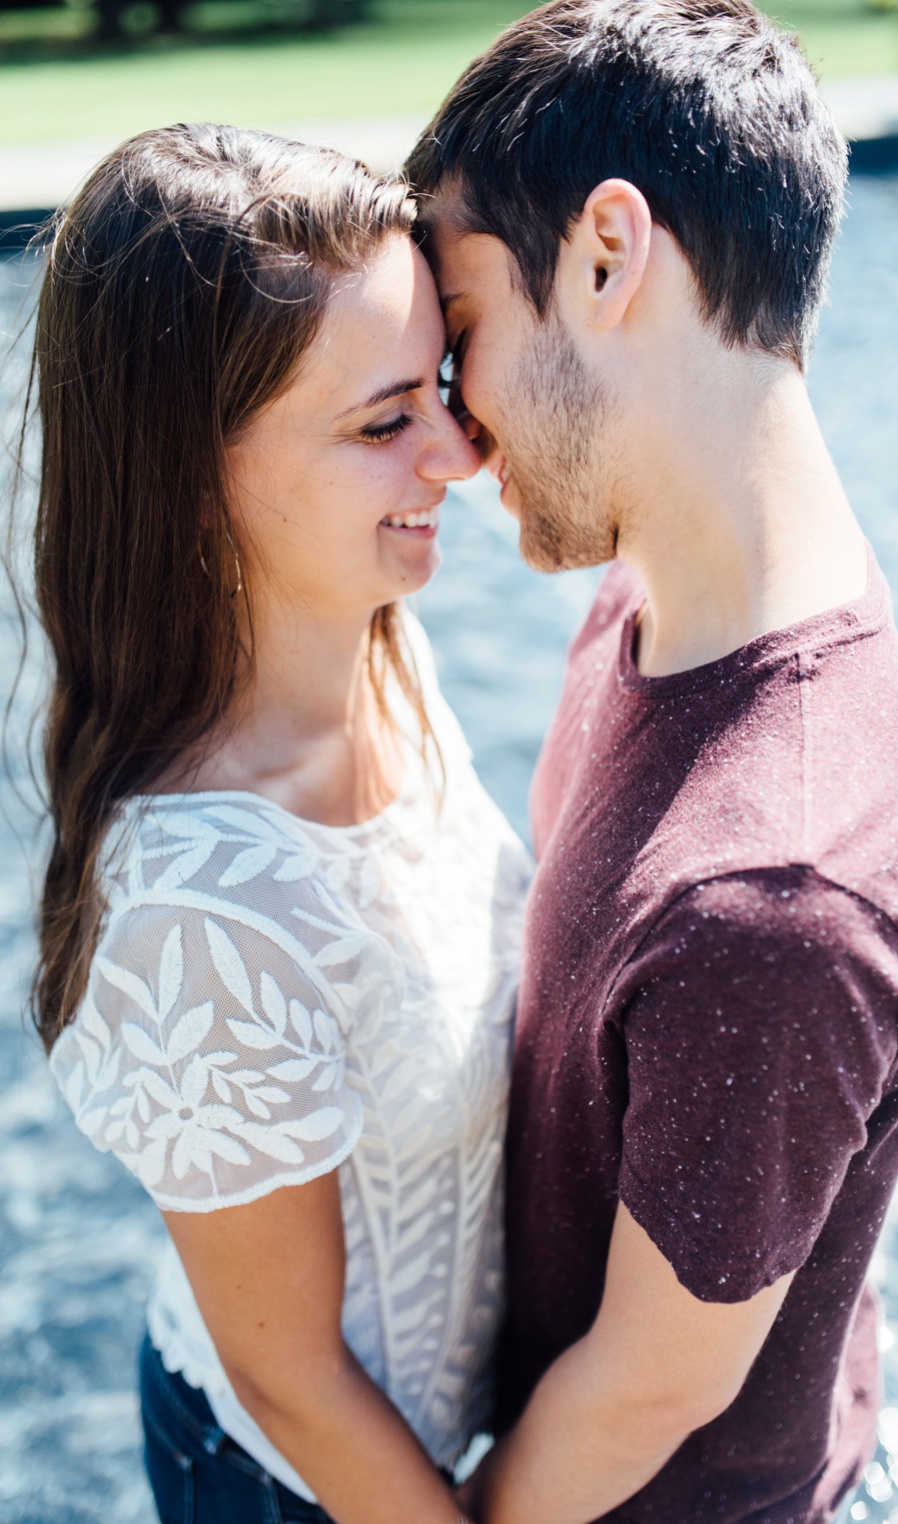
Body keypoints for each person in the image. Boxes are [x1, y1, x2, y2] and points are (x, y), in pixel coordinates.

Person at [401, 2, 898, 1520]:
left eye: (459, 342)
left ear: (606, 254)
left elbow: (656, 1385)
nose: (450, 435)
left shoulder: (776, 886)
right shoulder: (651, 592)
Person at [32, 126, 527, 1523]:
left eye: (437, 385)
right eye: (385, 423)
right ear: (194, 478)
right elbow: (293, 1381)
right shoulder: (200, 912)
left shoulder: (380, 648)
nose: (462, 454)